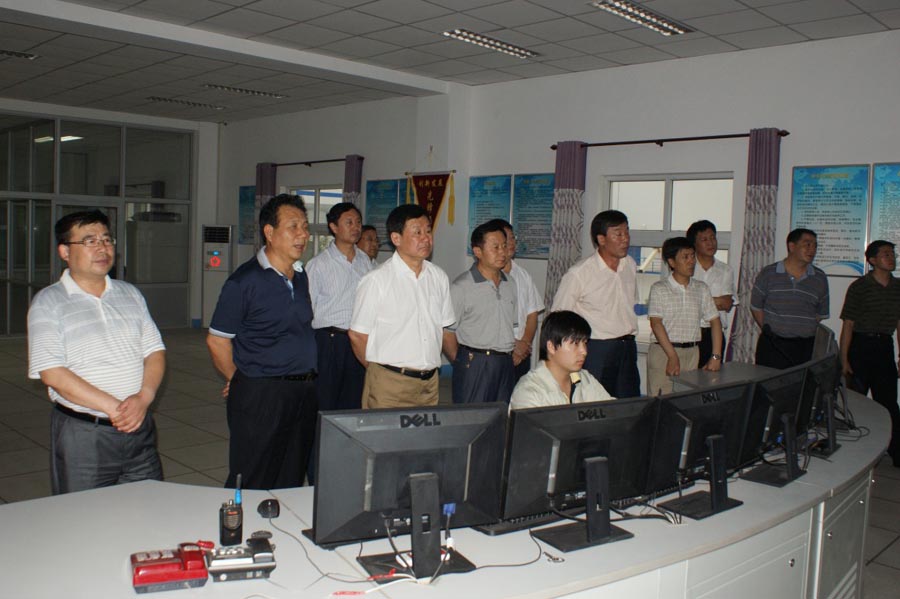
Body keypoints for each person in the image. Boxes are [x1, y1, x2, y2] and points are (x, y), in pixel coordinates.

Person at [27, 210, 164, 494]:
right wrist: (116, 409)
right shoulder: (49, 302)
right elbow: (52, 373)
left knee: (148, 506)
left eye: (106, 239)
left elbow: (154, 352)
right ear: (65, 252)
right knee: (84, 514)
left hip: (139, 427)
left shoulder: (130, 294)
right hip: (85, 434)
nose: (102, 248)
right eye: (89, 241)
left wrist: (144, 398)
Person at [207, 194, 317, 490]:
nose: (303, 235)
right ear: (269, 232)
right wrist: (239, 380)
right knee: (253, 474)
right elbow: (217, 340)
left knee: (291, 473)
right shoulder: (244, 282)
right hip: (262, 394)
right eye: (293, 227)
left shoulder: (301, 277)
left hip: (302, 391)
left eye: (305, 227)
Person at [349, 204, 455, 409]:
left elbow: (444, 329)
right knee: (384, 431)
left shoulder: (438, 277)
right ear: (396, 238)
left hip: (430, 384)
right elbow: (357, 335)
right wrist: (380, 372)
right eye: (417, 232)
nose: (426, 238)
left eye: (428, 231)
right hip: (389, 385)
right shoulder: (377, 280)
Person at [551, 210, 640, 397]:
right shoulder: (580, 273)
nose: (625, 239)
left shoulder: (630, 265)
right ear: (601, 239)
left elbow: (631, 304)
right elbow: (558, 317)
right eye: (618, 234)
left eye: (627, 232)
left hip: (627, 348)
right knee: (594, 404)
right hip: (596, 350)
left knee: (628, 404)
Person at [306, 203, 372, 412]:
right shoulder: (319, 264)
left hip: (359, 339)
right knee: (326, 399)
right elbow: (307, 309)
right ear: (334, 227)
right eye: (349, 222)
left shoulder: (365, 261)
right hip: (329, 341)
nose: (356, 227)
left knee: (354, 399)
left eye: (358, 222)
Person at [839, 240, 900, 466]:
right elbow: (848, 325)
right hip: (860, 346)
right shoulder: (859, 287)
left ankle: (896, 453)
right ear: (872, 260)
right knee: (855, 404)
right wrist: (843, 358)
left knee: (889, 404)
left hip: (884, 347)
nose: (891, 258)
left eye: (892, 254)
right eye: (885, 254)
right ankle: (850, 455)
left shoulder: (898, 287)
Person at [445, 220, 517, 404]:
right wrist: (463, 362)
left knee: (501, 415)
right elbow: (447, 333)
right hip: (475, 362)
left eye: (504, 246)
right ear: (478, 251)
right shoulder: (462, 287)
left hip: (505, 362)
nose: (502, 252)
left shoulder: (510, 283)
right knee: (472, 416)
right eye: (495, 247)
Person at [647, 237, 722, 396]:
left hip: (692, 352)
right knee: (660, 402)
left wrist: (716, 356)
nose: (691, 261)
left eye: (692, 256)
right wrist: (672, 356)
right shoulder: (659, 288)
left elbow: (715, 321)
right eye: (685, 257)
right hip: (664, 352)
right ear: (672, 262)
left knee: (686, 401)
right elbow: (656, 324)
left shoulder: (701, 288)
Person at [751, 228, 829, 369]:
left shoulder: (819, 277)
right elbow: (756, 307)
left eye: (815, 245)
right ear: (792, 246)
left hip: (805, 347)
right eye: (807, 244)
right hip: (773, 345)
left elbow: (820, 313)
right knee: (768, 381)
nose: (812, 249)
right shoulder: (769, 273)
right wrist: (772, 330)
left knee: (802, 383)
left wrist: (799, 328)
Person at [510, 311, 614, 410]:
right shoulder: (529, 391)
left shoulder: (585, 379)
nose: (584, 351)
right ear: (551, 347)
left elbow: (613, 412)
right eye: (576, 343)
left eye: (585, 343)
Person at [489, 219, 545, 382]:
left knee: (519, 395)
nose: (511, 243)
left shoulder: (523, 275)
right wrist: (513, 346)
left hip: (522, 351)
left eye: (513, 238)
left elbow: (532, 314)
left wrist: (524, 344)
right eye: (506, 239)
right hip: (495, 352)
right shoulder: (487, 276)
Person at [687, 220, 736, 367]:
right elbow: (683, 302)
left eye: (713, 238)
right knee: (688, 377)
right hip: (690, 332)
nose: (711, 243)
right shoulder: (687, 267)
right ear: (694, 244)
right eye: (704, 239)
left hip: (714, 336)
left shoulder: (725, 270)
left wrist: (696, 300)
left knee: (712, 377)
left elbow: (726, 304)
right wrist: (715, 301)